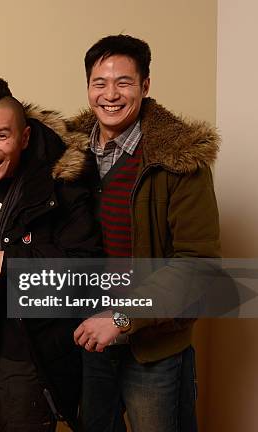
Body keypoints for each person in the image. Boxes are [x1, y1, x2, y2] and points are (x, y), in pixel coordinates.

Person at [69, 34, 221, 432]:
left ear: (146, 86)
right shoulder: (67, 155)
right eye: (100, 83)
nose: (110, 95)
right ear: (88, 88)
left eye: (124, 82)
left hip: (153, 349)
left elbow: (197, 266)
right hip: (88, 342)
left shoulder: (179, 161)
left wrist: (121, 317)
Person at [0, 78, 101, 431]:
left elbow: (87, 269)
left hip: (29, 351)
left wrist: (10, 262)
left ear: (25, 138)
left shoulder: (62, 186)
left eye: (2, 136)